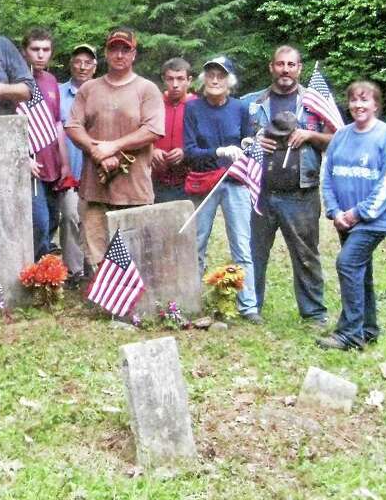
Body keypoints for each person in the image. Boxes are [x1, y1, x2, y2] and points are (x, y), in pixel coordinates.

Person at [243, 46, 334, 325]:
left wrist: (310, 135)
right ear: (271, 67)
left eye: (291, 65)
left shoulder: (313, 103)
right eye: (280, 64)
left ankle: (314, 313)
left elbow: (338, 138)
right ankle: (250, 307)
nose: (285, 69)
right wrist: (252, 142)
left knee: (306, 255)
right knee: (253, 253)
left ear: (300, 68)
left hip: (301, 193)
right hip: (260, 192)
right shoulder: (252, 103)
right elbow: (237, 141)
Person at [65, 27, 164, 269]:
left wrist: (113, 148)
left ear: (133, 54)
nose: (119, 55)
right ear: (106, 53)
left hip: (134, 189)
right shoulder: (88, 89)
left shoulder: (147, 89)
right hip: (95, 188)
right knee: (97, 254)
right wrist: (96, 151)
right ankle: (104, 303)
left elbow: (153, 130)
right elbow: (73, 125)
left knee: (136, 255)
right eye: (114, 49)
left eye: (125, 49)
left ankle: (136, 304)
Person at [318, 81, 386, 350]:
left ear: (376, 104)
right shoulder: (341, 135)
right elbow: (327, 176)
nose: (358, 105)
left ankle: (350, 335)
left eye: (365, 100)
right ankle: (368, 328)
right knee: (360, 272)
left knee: (348, 263)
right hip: (343, 219)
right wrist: (334, 211)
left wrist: (357, 214)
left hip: (373, 221)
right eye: (354, 100)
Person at [182, 55, 260, 322]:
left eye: (221, 75)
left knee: (241, 243)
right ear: (204, 80)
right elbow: (190, 151)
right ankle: (191, 301)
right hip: (203, 181)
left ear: (230, 81)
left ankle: (248, 305)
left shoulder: (241, 108)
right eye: (211, 75)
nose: (215, 80)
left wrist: (247, 144)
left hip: (234, 182)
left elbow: (248, 142)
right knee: (197, 242)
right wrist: (218, 150)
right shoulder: (193, 109)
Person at [22, 27, 72, 260]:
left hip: (52, 160)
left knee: (53, 218)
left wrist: (64, 163)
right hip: (30, 163)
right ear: (25, 51)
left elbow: (56, 124)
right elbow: (10, 125)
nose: (40, 55)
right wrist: (22, 157)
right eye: (35, 49)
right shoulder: (17, 81)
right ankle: (38, 270)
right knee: (39, 220)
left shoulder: (52, 81)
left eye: (46, 50)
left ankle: (45, 267)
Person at [59, 43, 97, 283]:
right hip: (69, 171)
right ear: (71, 64)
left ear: (95, 67)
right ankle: (74, 272)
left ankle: (95, 267)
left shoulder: (104, 91)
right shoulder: (58, 93)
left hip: (97, 172)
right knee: (71, 217)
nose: (82, 67)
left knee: (93, 221)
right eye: (78, 62)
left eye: (88, 62)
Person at [152, 57, 196, 204]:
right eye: (170, 79)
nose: (175, 85)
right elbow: (139, 131)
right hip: (154, 178)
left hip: (188, 179)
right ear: (164, 79)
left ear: (189, 80)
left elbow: (204, 140)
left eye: (180, 79)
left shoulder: (198, 106)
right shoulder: (153, 103)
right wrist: (152, 150)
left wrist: (185, 151)